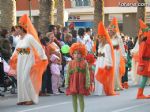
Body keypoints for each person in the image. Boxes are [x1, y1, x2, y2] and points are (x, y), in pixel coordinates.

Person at [9, 14, 48, 105]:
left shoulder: (29, 37)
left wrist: (43, 57)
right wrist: (12, 58)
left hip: (29, 60)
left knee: (26, 78)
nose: (16, 30)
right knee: (20, 78)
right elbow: (17, 50)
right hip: (21, 61)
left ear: (22, 28)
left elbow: (38, 47)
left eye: (18, 28)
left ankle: (31, 98)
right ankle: (22, 99)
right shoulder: (19, 39)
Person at [65, 43, 90, 112]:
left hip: (81, 83)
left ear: (82, 54)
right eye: (75, 53)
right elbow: (68, 74)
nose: (76, 55)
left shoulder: (84, 63)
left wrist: (87, 83)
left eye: (78, 53)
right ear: (72, 54)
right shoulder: (70, 63)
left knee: (81, 98)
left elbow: (87, 74)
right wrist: (67, 82)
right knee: (74, 98)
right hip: (73, 82)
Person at [94, 22, 117, 96]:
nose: (99, 39)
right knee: (97, 75)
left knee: (102, 76)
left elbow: (108, 56)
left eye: (101, 37)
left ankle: (102, 91)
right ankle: (97, 91)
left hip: (104, 63)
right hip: (99, 62)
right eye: (99, 37)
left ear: (104, 37)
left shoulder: (107, 45)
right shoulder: (100, 45)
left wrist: (108, 64)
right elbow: (98, 55)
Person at [108, 17, 126, 91]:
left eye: (111, 30)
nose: (109, 31)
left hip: (117, 54)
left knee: (116, 69)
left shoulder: (118, 37)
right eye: (109, 30)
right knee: (111, 69)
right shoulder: (108, 38)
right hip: (110, 55)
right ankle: (111, 85)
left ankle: (117, 85)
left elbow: (122, 47)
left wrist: (124, 56)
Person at [136, 19, 150, 99]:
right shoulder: (144, 43)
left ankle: (140, 94)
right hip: (145, 62)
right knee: (144, 78)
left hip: (147, 62)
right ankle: (139, 94)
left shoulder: (146, 42)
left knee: (145, 78)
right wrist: (141, 64)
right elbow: (141, 54)